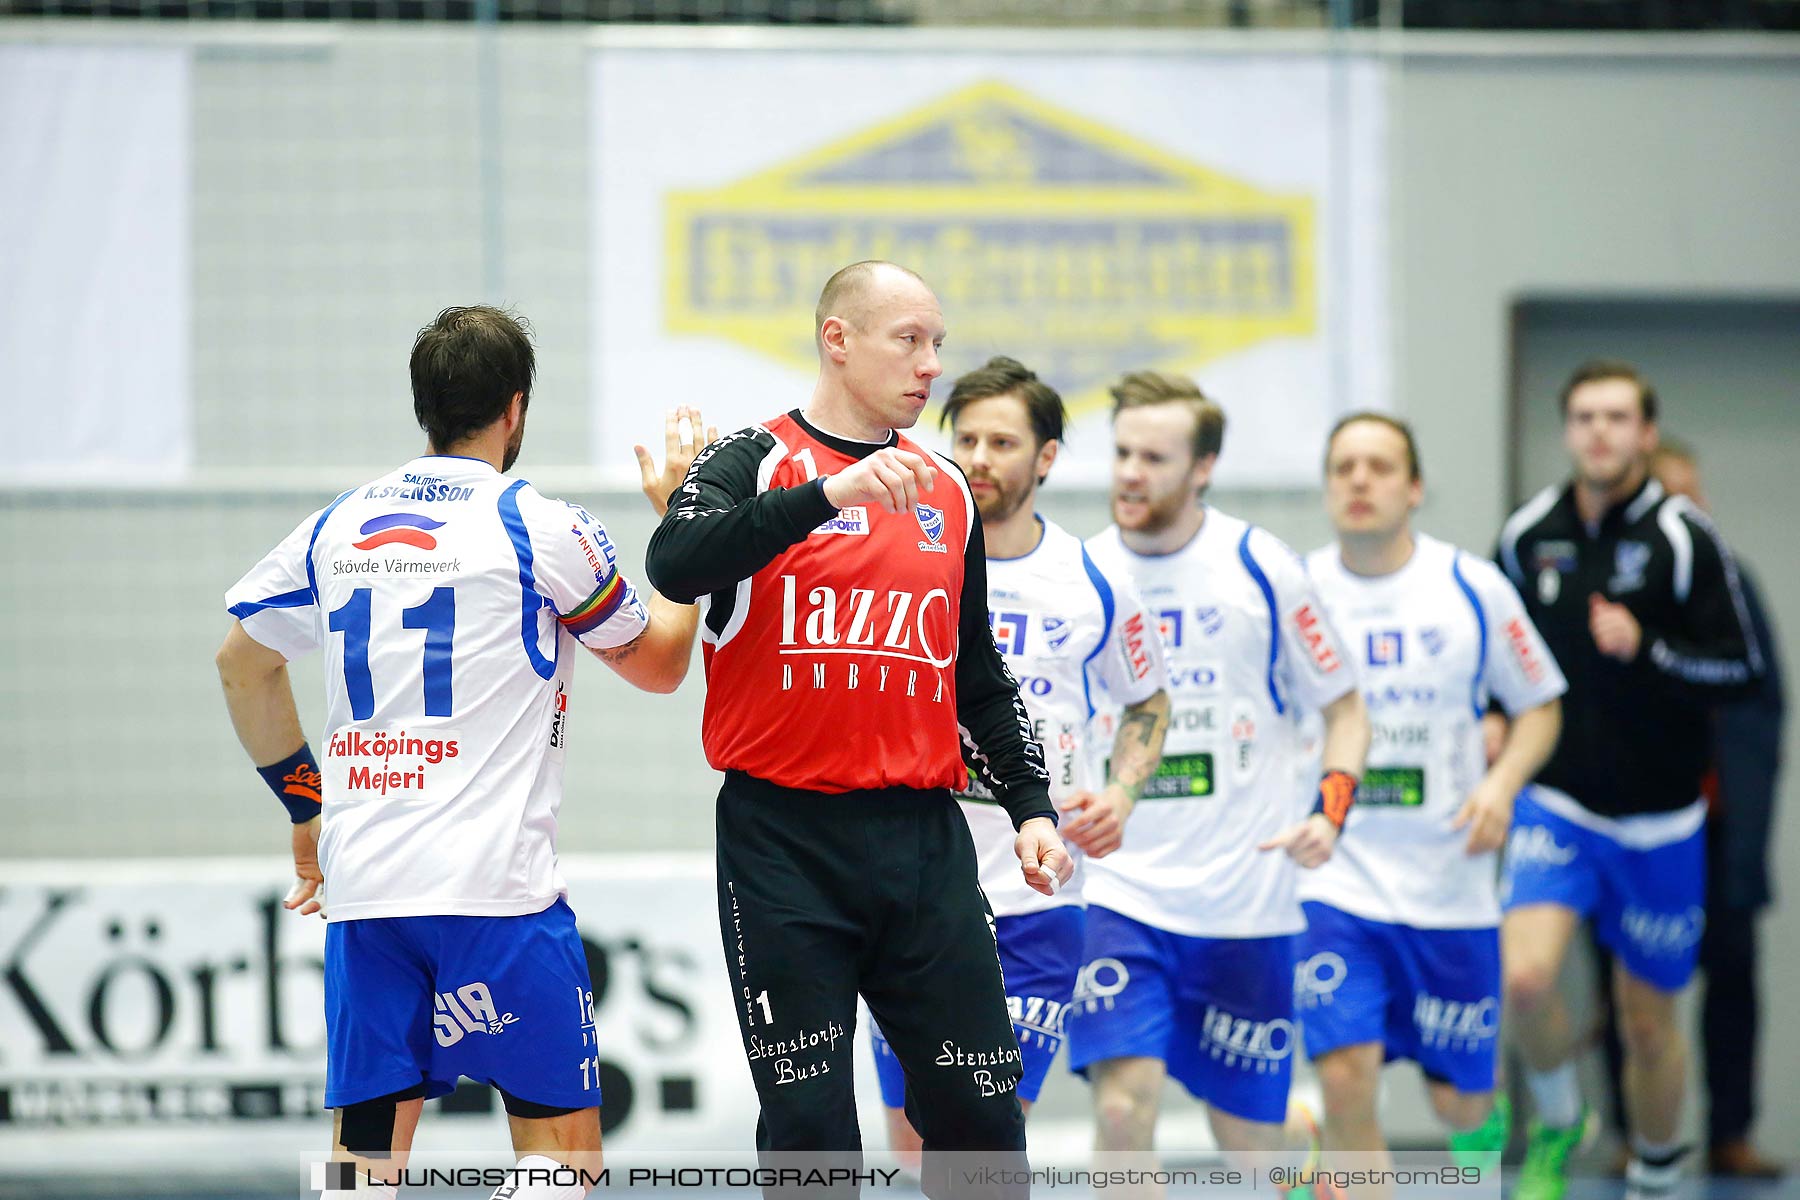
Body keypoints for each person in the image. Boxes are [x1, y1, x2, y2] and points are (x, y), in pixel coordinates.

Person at [215, 306, 703, 1200]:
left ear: (424, 407)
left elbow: (242, 665)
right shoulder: (534, 522)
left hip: (367, 894)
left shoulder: (340, 524)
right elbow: (664, 665)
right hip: (497, 896)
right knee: (561, 1161)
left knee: (363, 1167)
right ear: (515, 409)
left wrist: (305, 810)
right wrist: (683, 526)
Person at [642, 262, 1071, 1195]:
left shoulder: (950, 493)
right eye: (908, 340)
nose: (930, 366)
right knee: (809, 1130)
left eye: (937, 346)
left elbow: (978, 676)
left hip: (921, 844)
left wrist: (1031, 806)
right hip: (783, 844)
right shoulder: (756, 458)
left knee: (983, 1117)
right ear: (838, 340)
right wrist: (832, 496)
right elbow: (675, 561)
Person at [1067, 370, 1372, 1193]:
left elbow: (1347, 711)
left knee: (1254, 1154)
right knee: (1124, 1112)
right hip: (1119, 895)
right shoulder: (1082, 573)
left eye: (1155, 457)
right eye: (1123, 452)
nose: (1130, 472)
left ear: (1202, 468)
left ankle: (1294, 1153)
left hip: (1246, 903)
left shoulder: (1261, 568)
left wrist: (1331, 812)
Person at [865, 356, 1172, 1167]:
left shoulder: (1094, 580)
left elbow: (1148, 699)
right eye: (964, 438)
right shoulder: (900, 558)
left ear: (1045, 458)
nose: (978, 457)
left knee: (982, 1131)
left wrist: (1124, 791)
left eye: (1003, 441)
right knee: (912, 1145)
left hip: (1038, 902)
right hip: (913, 890)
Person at [1494, 361, 1764, 1200]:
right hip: (1559, 802)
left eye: (1617, 418)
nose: (1599, 432)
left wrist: (1645, 646)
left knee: (1650, 1024)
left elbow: (1743, 670)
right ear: (1568, 430)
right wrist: (1493, 720)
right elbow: (1492, 652)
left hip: (1661, 821)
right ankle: (1560, 1107)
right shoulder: (1527, 532)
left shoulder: (1685, 537)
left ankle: (1654, 1169)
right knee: (1523, 976)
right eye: (1584, 417)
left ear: (1646, 433)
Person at [1295, 413, 1566, 1199]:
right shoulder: (1297, 592)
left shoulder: (1471, 587)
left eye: (1379, 467)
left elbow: (1541, 704)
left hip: (1451, 885)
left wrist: (1501, 783)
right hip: (1334, 885)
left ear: (1413, 489)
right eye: (1343, 466)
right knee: (1346, 1080)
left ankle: (1490, 1129)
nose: (1359, 480)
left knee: (1460, 1101)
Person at [1589, 442, 1786, 1180]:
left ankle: (1730, 1133)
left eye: (1694, 499)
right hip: (1631, 823)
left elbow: (1761, 704)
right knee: (1625, 979)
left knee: (1731, 979)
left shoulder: (1733, 589)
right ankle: (1632, 1134)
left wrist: (1749, 813)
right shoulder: (1612, 599)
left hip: (1718, 820)